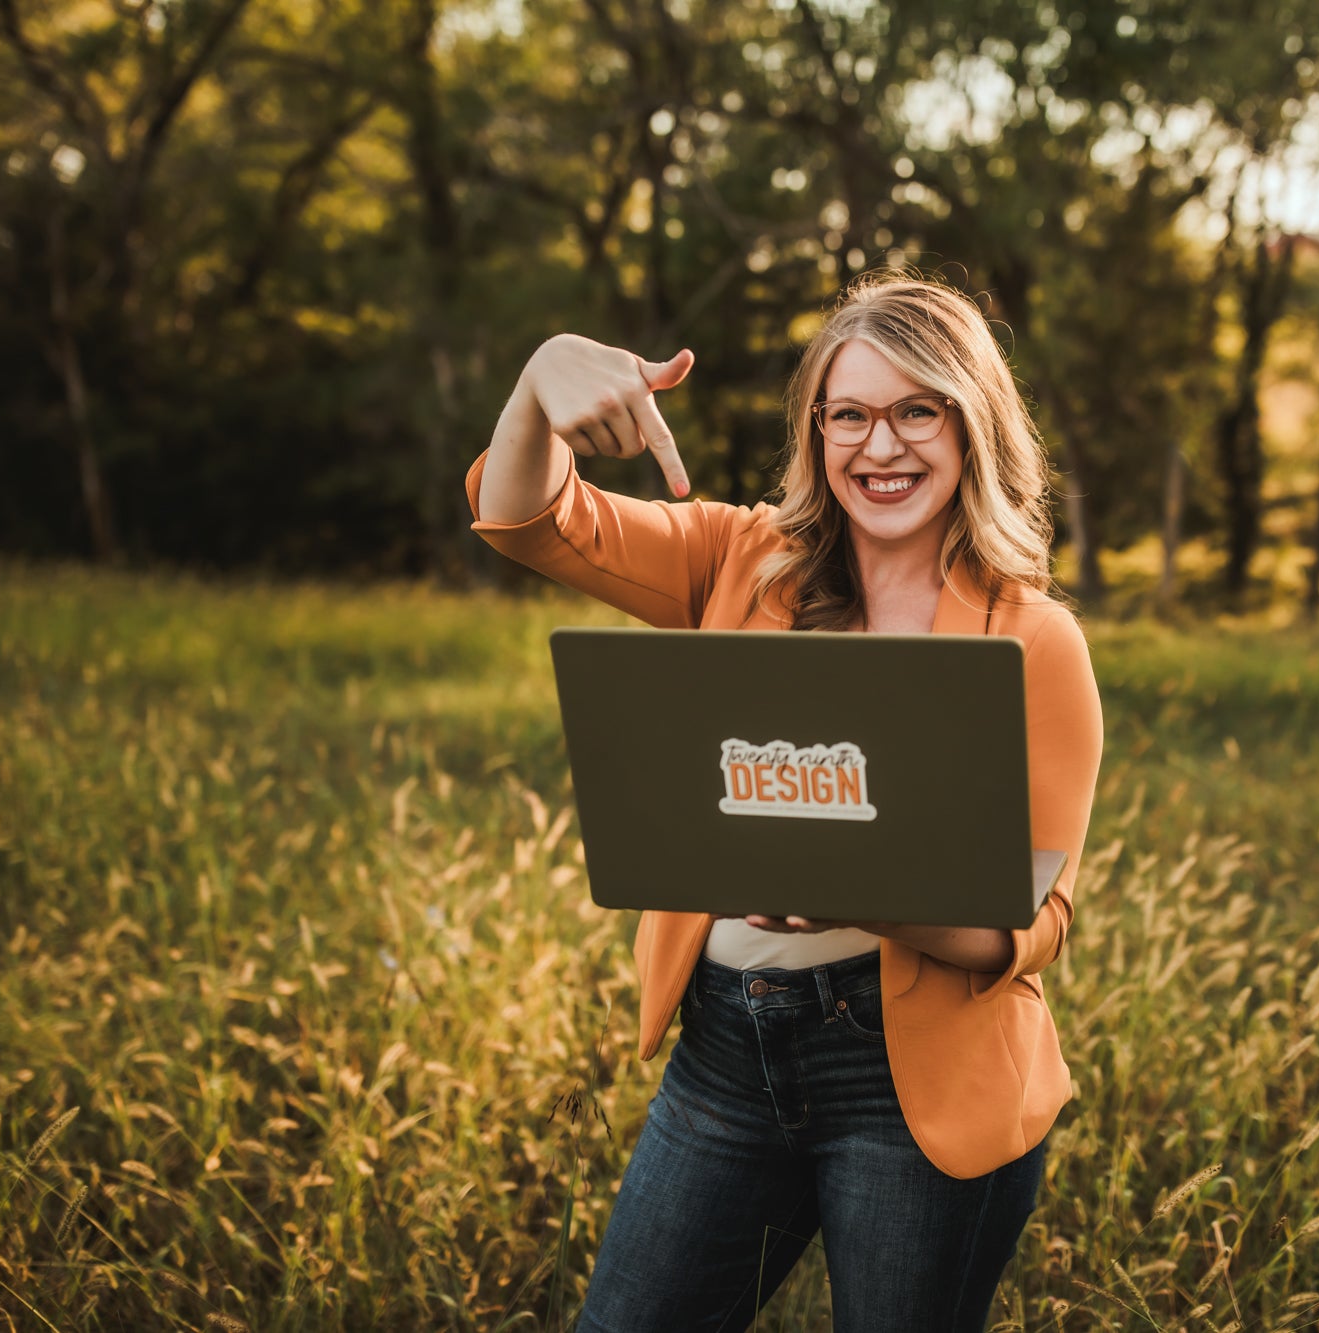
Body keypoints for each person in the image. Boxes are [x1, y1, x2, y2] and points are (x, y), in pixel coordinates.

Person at [464, 273, 1104, 1332]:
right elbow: (528, 517)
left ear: (970, 424)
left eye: (916, 409)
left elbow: (1029, 927)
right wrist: (536, 387)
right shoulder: (741, 557)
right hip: (723, 1059)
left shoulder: (1030, 639)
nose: (879, 446)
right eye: (848, 413)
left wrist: (863, 896)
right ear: (816, 430)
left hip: (913, 1089)